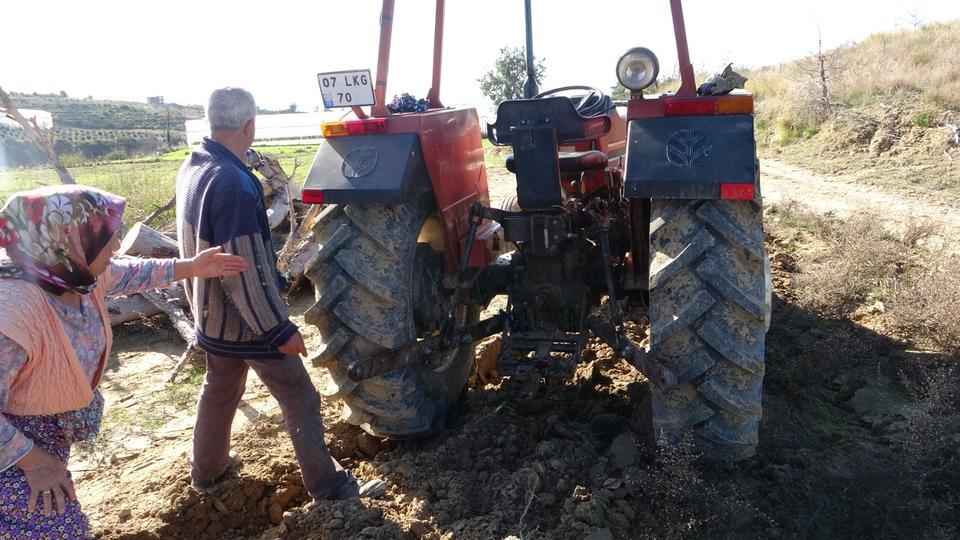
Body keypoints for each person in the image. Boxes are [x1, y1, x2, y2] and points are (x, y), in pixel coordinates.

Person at [0, 185, 247, 538]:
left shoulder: (74, 275)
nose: (117, 245)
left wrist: (191, 267)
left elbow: (133, 273)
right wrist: (34, 461)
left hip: (42, 432)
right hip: (14, 444)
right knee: (55, 527)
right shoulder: (12, 315)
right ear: (67, 241)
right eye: (106, 237)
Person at [175, 87, 357, 500]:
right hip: (247, 323)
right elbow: (244, 272)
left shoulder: (193, 166)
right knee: (300, 396)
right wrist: (277, 330)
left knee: (219, 388)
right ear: (249, 125)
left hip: (210, 316)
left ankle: (208, 471)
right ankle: (329, 488)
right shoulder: (235, 184)